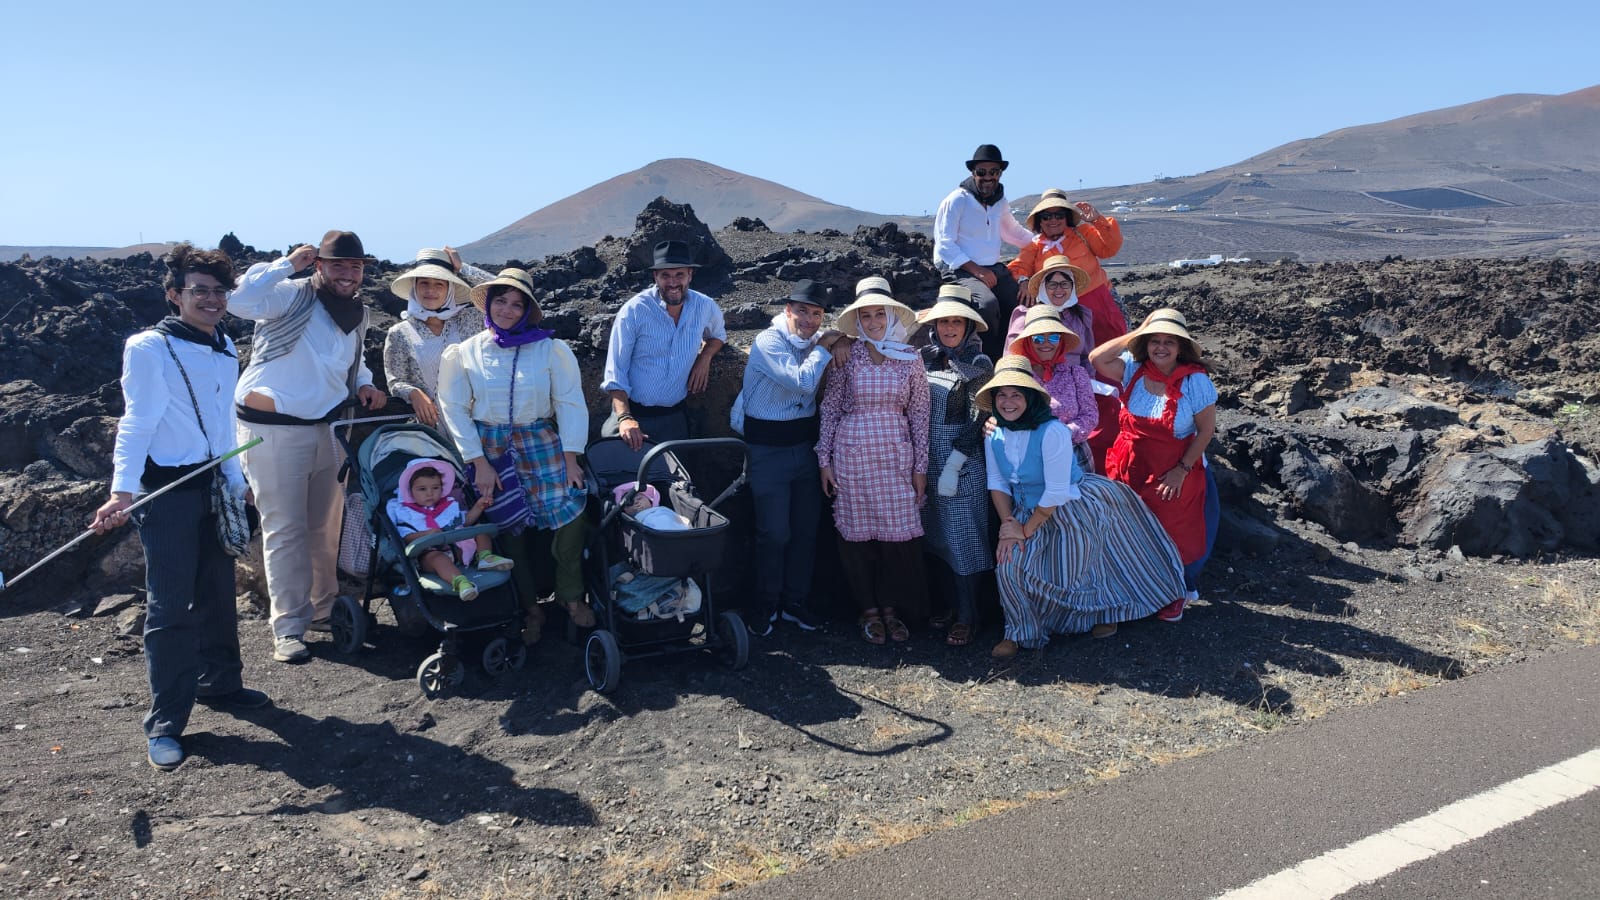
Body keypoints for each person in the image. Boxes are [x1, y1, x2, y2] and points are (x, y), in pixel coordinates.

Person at [91, 243, 269, 771]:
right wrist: (123, 492)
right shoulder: (149, 347)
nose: (212, 300)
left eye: (220, 291)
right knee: (169, 607)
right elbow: (136, 421)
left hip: (214, 486)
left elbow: (223, 424)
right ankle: (165, 723)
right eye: (200, 291)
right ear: (174, 295)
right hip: (166, 494)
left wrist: (236, 480)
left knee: (217, 591)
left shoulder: (224, 346)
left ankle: (221, 683)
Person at [230, 231, 387, 664]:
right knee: (284, 528)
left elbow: (353, 360)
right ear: (318, 265)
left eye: (354, 266)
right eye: (337, 264)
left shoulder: (357, 312)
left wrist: (365, 383)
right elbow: (238, 299)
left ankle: (322, 610)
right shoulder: (289, 295)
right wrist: (286, 265)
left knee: (324, 526)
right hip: (274, 429)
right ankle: (288, 628)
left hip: (328, 427)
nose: (347, 273)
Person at [981, 360, 1185, 658]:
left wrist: (1024, 531)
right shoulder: (993, 433)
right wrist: (1008, 525)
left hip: (1069, 506)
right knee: (1009, 565)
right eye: (1002, 394)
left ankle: (1103, 613)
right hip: (1024, 508)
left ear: (1031, 397)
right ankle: (1019, 631)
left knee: (1078, 568)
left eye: (1016, 394)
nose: (1008, 402)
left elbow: (1056, 490)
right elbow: (997, 480)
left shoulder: (1053, 432)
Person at [437, 268, 591, 641]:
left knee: (572, 511)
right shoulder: (466, 353)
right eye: (501, 301)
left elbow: (569, 401)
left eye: (517, 304)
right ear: (489, 304)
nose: (507, 310)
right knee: (508, 531)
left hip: (540, 442)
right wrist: (478, 462)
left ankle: (570, 595)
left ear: (527, 311)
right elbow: (454, 408)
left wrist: (572, 456)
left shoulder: (550, 349)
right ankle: (530, 608)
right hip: (490, 450)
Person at [815, 278, 931, 644]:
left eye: (880, 314)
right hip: (852, 456)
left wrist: (921, 467)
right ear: (858, 321)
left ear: (891, 315)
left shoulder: (911, 358)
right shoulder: (847, 355)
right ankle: (868, 609)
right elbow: (831, 408)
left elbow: (919, 414)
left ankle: (892, 608)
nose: (874, 322)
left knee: (896, 537)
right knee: (857, 538)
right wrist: (824, 460)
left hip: (896, 456)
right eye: (865, 316)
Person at [1091, 309, 1220, 623]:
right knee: (1131, 531)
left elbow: (1205, 431)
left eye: (1169, 342)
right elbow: (1097, 358)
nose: (1161, 347)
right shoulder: (1133, 368)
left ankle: (1175, 591)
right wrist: (1137, 332)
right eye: (1155, 341)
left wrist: (1181, 470)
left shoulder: (1195, 381)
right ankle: (1139, 589)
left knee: (1174, 532)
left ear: (1181, 347)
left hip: (1171, 471)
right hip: (1129, 466)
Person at [734, 280, 833, 635]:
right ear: (788, 310)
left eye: (816, 313)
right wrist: (826, 346)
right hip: (767, 450)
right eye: (802, 311)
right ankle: (765, 604)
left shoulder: (812, 341)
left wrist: (833, 342)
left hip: (804, 446)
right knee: (774, 532)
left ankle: (795, 601)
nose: (808, 320)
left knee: (805, 530)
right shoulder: (769, 341)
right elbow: (802, 382)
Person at [1007, 190, 1128, 468]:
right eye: (1046, 216)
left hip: (1099, 311)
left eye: (1059, 215)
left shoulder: (1083, 233)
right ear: (1039, 221)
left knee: (1111, 367)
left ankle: (1120, 424)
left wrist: (1097, 219)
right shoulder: (1035, 246)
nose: (1053, 220)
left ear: (1068, 217)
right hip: (1062, 317)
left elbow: (1110, 247)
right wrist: (1024, 280)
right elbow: (1018, 266)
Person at [910, 284, 994, 647]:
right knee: (937, 537)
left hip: (961, 461)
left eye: (956, 322)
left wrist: (955, 462)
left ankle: (969, 615)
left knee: (964, 538)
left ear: (968, 326)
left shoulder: (979, 363)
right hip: (926, 457)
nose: (949, 328)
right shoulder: (924, 358)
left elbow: (980, 415)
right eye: (943, 321)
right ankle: (949, 605)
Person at [601, 239, 727, 451]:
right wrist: (624, 418)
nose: (673, 282)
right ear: (655, 277)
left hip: (674, 419)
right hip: (633, 419)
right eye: (665, 275)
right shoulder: (634, 311)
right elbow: (616, 372)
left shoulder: (705, 306)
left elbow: (718, 335)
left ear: (690, 275)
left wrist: (704, 358)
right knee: (624, 472)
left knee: (679, 473)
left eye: (679, 274)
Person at [933, 144, 1034, 359]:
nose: (988, 177)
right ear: (973, 173)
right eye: (982, 172)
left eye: (993, 172)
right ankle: (987, 358)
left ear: (1000, 174)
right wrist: (977, 271)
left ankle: (1012, 355)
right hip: (959, 268)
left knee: (1021, 303)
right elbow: (944, 244)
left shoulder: (1000, 202)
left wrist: (1043, 242)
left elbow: (1013, 232)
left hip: (991, 267)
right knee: (987, 305)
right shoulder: (957, 199)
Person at [382, 247, 491, 427]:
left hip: (482, 424)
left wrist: (463, 268)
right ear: (415, 287)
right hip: (432, 428)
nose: (430, 290)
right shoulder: (400, 333)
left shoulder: (472, 319)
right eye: (424, 283)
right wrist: (414, 393)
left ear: (450, 289)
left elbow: (507, 295)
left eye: (439, 284)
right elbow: (396, 380)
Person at [385, 459, 514, 602]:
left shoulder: (448, 506)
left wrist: (479, 507)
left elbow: (464, 522)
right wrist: (427, 534)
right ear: (410, 492)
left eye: (435, 488)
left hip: (458, 549)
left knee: (480, 529)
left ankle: (485, 557)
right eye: (422, 489)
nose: (430, 493)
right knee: (437, 558)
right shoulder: (407, 514)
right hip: (430, 555)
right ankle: (461, 582)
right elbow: (406, 537)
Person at [1006, 304, 1098, 467]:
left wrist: (1061, 435)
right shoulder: (1016, 377)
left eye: (1054, 337)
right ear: (1027, 341)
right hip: (1028, 459)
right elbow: (1005, 412)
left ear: (1061, 341)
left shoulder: (1076, 374)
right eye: (1038, 338)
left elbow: (1090, 415)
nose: (1046, 344)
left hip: (1074, 458)